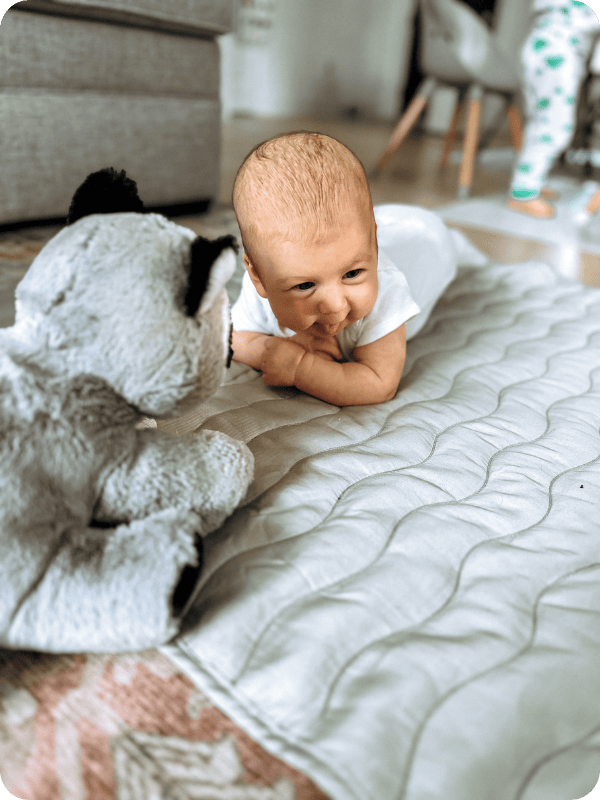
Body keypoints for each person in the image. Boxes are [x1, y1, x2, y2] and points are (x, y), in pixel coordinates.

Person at [230, 131, 463, 406]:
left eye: (352, 274)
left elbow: (379, 383)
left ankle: (439, 237)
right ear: (258, 276)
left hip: (428, 239)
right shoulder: (262, 280)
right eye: (305, 285)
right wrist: (266, 349)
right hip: (375, 230)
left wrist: (302, 367)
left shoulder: (387, 289)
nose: (335, 306)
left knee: (377, 232)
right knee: (342, 234)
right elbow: (232, 336)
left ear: (374, 251)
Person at [507, 0, 600, 219]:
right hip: (560, 51)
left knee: (540, 122)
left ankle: (532, 181)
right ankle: (523, 191)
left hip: (542, 44)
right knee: (555, 128)